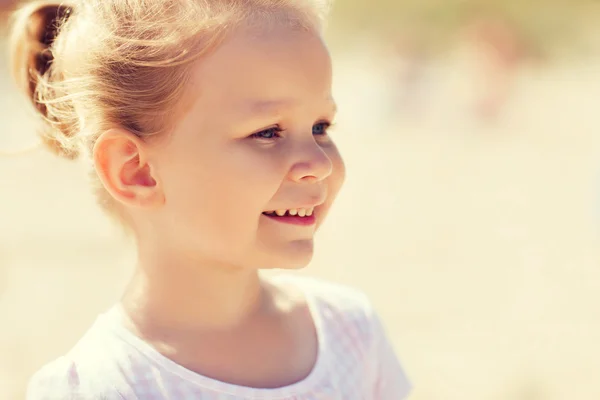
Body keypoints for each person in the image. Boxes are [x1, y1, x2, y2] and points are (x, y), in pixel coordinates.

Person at [9, 0, 412, 399]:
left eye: (320, 126)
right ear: (136, 171)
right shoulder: (102, 386)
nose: (319, 164)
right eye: (268, 132)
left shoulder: (351, 334)